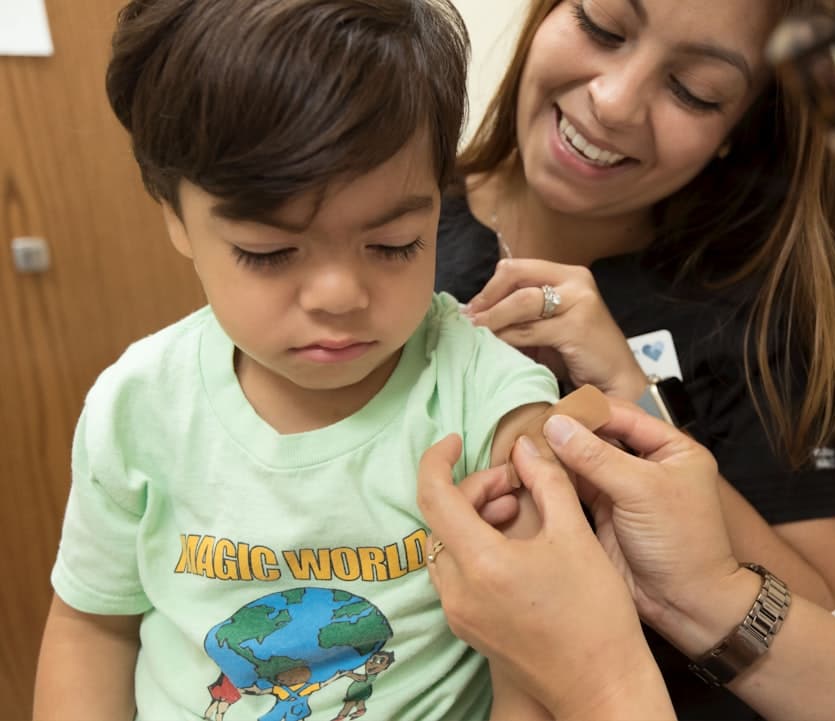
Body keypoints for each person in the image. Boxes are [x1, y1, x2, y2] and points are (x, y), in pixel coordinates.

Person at [418, 0, 835, 718]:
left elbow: (826, 613)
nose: (611, 102)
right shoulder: (392, 229)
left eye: (695, 90)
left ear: (741, 127)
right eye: (602, 25)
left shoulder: (751, 314)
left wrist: (637, 397)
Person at [31, 2, 561, 720]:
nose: (339, 295)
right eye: (270, 252)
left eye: (395, 242)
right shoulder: (138, 404)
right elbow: (93, 624)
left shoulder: (485, 397)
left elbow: (540, 654)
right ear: (174, 217)